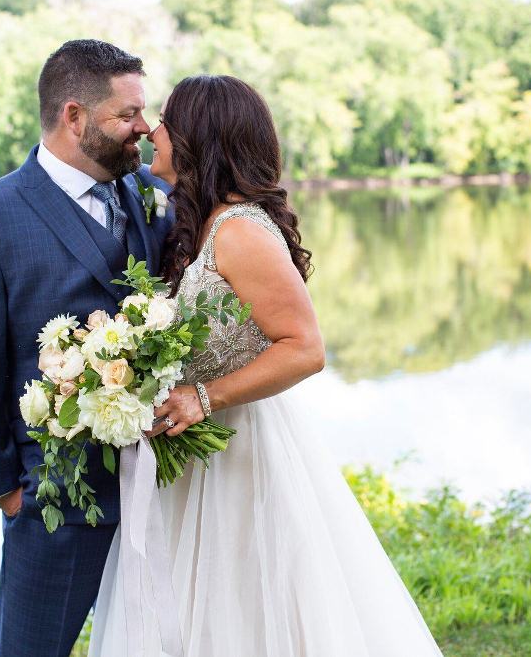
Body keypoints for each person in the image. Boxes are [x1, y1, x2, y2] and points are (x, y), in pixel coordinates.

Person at [88, 75, 443, 656]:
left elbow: (304, 347)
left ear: (198, 137)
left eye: (167, 121)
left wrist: (202, 399)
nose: (154, 130)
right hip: (197, 459)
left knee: (245, 611)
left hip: (240, 456)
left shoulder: (241, 231)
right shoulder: (201, 227)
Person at [0, 39, 173, 657]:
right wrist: (5, 489)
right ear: (73, 116)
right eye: (127, 116)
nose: (143, 129)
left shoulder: (147, 192)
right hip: (56, 496)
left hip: (163, 483)